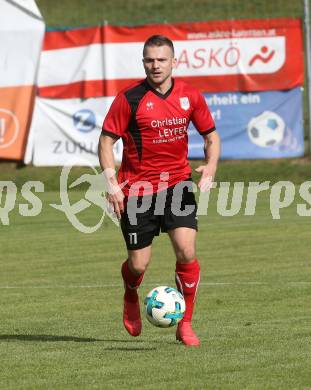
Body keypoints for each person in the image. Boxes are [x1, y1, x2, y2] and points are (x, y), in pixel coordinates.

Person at [98, 35, 220, 346]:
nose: (156, 65)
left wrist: (211, 166)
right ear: (143, 63)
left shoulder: (190, 96)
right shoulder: (129, 98)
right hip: (137, 190)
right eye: (150, 60)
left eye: (162, 59)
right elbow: (106, 141)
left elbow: (211, 136)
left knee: (187, 251)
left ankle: (186, 324)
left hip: (178, 185)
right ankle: (130, 293)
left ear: (173, 62)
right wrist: (112, 184)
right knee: (138, 264)